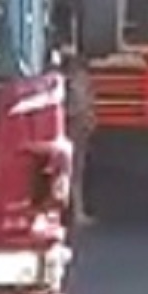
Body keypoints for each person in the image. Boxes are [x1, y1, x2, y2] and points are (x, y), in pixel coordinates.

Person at [62, 48, 97, 227]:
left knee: (74, 170)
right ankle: (76, 212)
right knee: (75, 170)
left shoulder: (69, 80)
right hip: (76, 127)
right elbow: (79, 106)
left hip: (76, 126)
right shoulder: (77, 81)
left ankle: (74, 211)